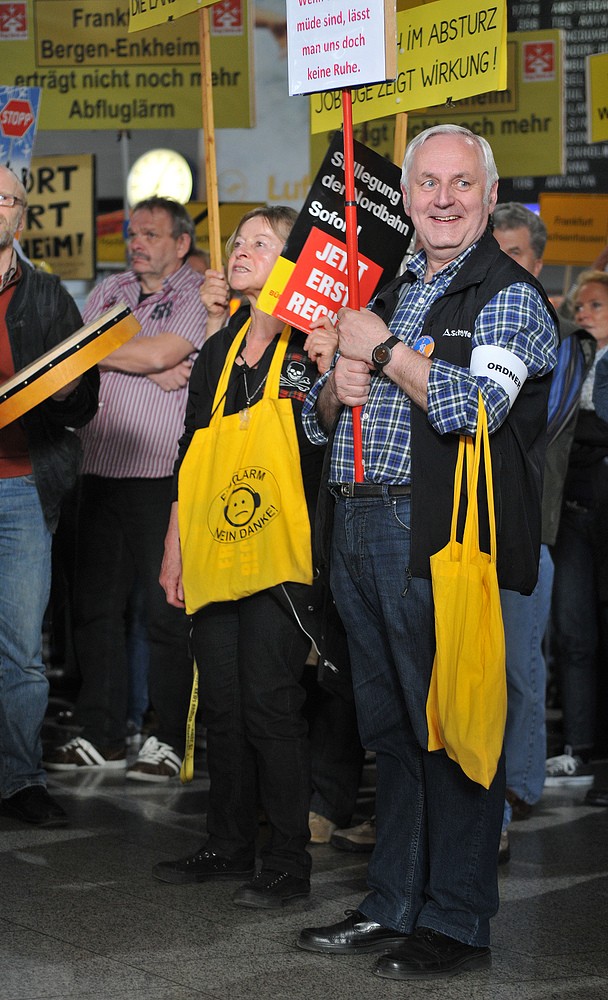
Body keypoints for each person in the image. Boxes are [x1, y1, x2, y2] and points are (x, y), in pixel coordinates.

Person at [297, 125, 557, 980]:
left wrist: (380, 349)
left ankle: (455, 920)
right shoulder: (390, 285)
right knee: (393, 733)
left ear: (487, 196)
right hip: (360, 525)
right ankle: (392, 903)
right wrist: (335, 394)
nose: (443, 199)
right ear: (404, 198)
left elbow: (478, 410)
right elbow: (321, 425)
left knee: (453, 730)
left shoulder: (509, 294)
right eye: (428, 184)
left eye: (461, 184)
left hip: (438, 537)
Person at [152, 206, 337, 908]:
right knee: (222, 706)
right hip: (217, 543)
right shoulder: (224, 346)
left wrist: (327, 365)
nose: (241, 249)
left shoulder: (305, 343)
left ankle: (288, 863)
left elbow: (324, 438)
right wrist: (174, 544)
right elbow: (189, 452)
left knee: (270, 704)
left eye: (263, 242)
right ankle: (227, 844)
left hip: (283, 552)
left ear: (294, 262)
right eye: (237, 240)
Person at [0, 161, 99, 827]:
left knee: (20, 653)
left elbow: (83, 402)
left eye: (5, 198)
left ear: (21, 217)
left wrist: (68, 390)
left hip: (22, 494)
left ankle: (20, 780)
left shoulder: (49, 296)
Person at [44, 197, 207, 781]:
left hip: (162, 474)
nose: (136, 243)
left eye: (151, 234)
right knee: (95, 611)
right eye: (132, 234)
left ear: (181, 243)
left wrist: (109, 353)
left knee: (166, 613)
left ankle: (166, 738)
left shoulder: (197, 293)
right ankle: (102, 733)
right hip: (97, 468)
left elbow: (163, 352)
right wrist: (135, 362)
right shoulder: (110, 291)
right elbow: (69, 356)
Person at [491, 205, 594, 846]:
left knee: (519, 671)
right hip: (463, 527)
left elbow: (523, 424)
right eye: (494, 255)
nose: (505, 268)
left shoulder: (561, 343)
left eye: (517, 256)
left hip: (529, 532)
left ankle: (514, 793)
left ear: (539, 262)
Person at [546, 270, 608, 784]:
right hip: (569, 509)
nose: (582, 312)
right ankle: (578, 744)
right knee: (572, 635)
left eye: (595, 306)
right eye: (579, 305)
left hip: (599, 510)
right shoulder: (572, 355)